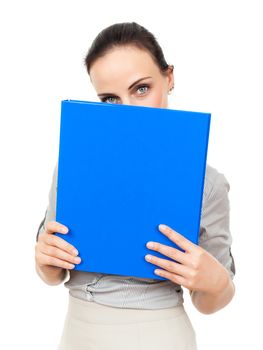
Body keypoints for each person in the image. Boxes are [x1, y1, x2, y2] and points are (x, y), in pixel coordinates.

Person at [35, 22, 236, 350]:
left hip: (158, 336)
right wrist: (45, 260)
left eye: (141, 88)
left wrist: (216, 283)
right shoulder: (75, 164)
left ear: (168, 79)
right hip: (76, 333)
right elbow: (53, 273)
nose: (127, 109)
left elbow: (211, 301)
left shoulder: (208, 183)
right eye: (110, 99)